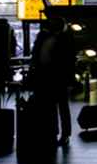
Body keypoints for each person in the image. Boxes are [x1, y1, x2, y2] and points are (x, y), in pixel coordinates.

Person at [30, 17, 75, 147]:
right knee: (59, 106)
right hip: (53, 76)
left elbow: (36, 55)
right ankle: (60, 134)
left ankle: (58, 133)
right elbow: (69, 61)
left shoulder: (44, 37)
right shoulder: (64, 39)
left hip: (51, 76)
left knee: (54, 106)